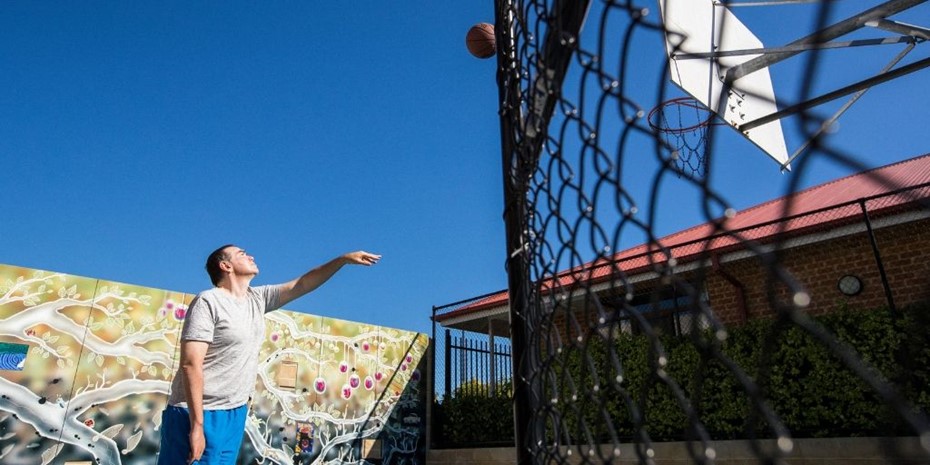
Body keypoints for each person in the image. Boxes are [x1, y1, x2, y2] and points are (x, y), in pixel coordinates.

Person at [156, 244, 381, 465]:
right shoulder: (208, 301)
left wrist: (341, 260)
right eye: (242, 254)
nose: (251, 255)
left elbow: (302, 283)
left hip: (234, 412)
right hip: (196, 413)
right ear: (226, 265)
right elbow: (190, 363)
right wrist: (197, 425)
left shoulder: (257, 299)